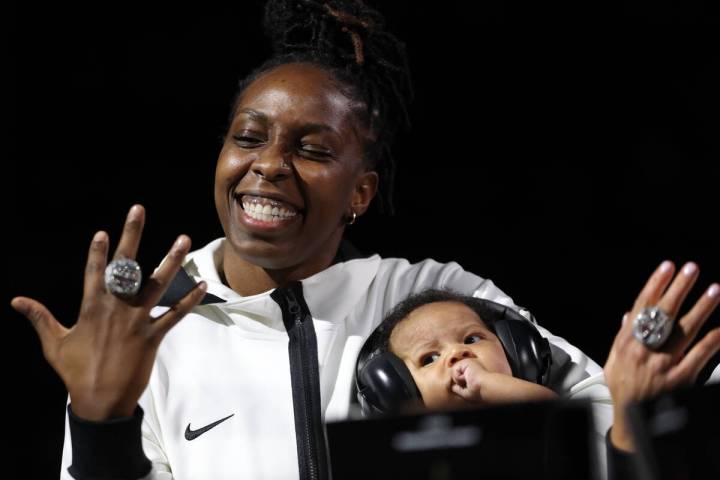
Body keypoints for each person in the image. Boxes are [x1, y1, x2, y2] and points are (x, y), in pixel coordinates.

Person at [8, 0, 651, 478]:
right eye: (249, 137)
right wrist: (100, 424)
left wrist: (610, 406)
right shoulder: (145, 334)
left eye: (311, 149)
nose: (269, 165)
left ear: (361, 193)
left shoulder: (434, 299)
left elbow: (612, 431)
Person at [359, 277, 720, 479]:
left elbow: (566, 433)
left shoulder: (533, 415)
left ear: (519, 354)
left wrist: (494, 387)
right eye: (430, 358)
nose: (457, 355)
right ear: (398, 391)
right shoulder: (410, 458)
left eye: (472, 339)